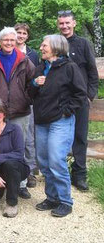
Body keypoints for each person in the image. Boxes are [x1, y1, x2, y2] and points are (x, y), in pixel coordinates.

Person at [29, 34, 87, 217]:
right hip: (42, 121)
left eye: (44, 45)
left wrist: (66, 111)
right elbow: (30, 93)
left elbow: (80, 94)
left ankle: (65, 201)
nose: (41, 47)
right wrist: (34, 83)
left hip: (60, 121)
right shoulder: (40, 68)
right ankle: (52, 197)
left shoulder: (69, 67)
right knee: (44, 162)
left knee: (56, 160)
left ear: (55, 48)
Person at [0, 27, 35, 198]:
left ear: (16, 41)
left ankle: (21, 184)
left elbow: (32, 83)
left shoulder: (24, 60)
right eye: (5, 40)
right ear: (0, 42)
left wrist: (26, 98)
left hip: (19, 110)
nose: (9, 43)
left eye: (12, 40)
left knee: (20, 146)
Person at [57, 10, 99, 191]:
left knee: (80, 137)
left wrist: (89, 95)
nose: (64, 26)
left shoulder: (83, 44)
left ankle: (79, 175)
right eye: (61, 23)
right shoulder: (54, 43)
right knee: (59, 137)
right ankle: (60, 173)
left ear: (74, 23)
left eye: (67, 23)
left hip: (80, 99)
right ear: (58, 25)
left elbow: (92, 72)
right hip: (59, 100)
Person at [14, 22, 40, 188]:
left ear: (27, 36)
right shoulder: (7, 51)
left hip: (27, 99)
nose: (21, 36)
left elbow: (35, 76)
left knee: (29, 137)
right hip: (10, 100)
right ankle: (13, 170)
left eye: (24, 33)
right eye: (18, 32)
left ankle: (30, 171)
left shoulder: (32, 54)